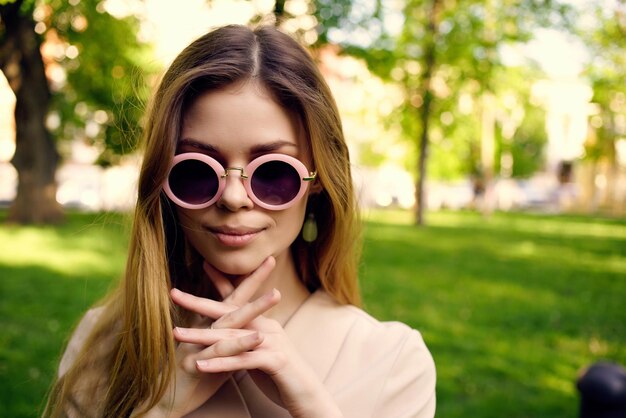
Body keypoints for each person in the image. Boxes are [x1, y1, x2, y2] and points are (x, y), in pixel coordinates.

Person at [44, 24, 436, 418]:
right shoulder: (106, 342)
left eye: (272, 172)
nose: (233, 197)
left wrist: (312, 405)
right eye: (196, 170)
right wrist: (162, 407)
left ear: (318, 180)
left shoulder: (393, 360)